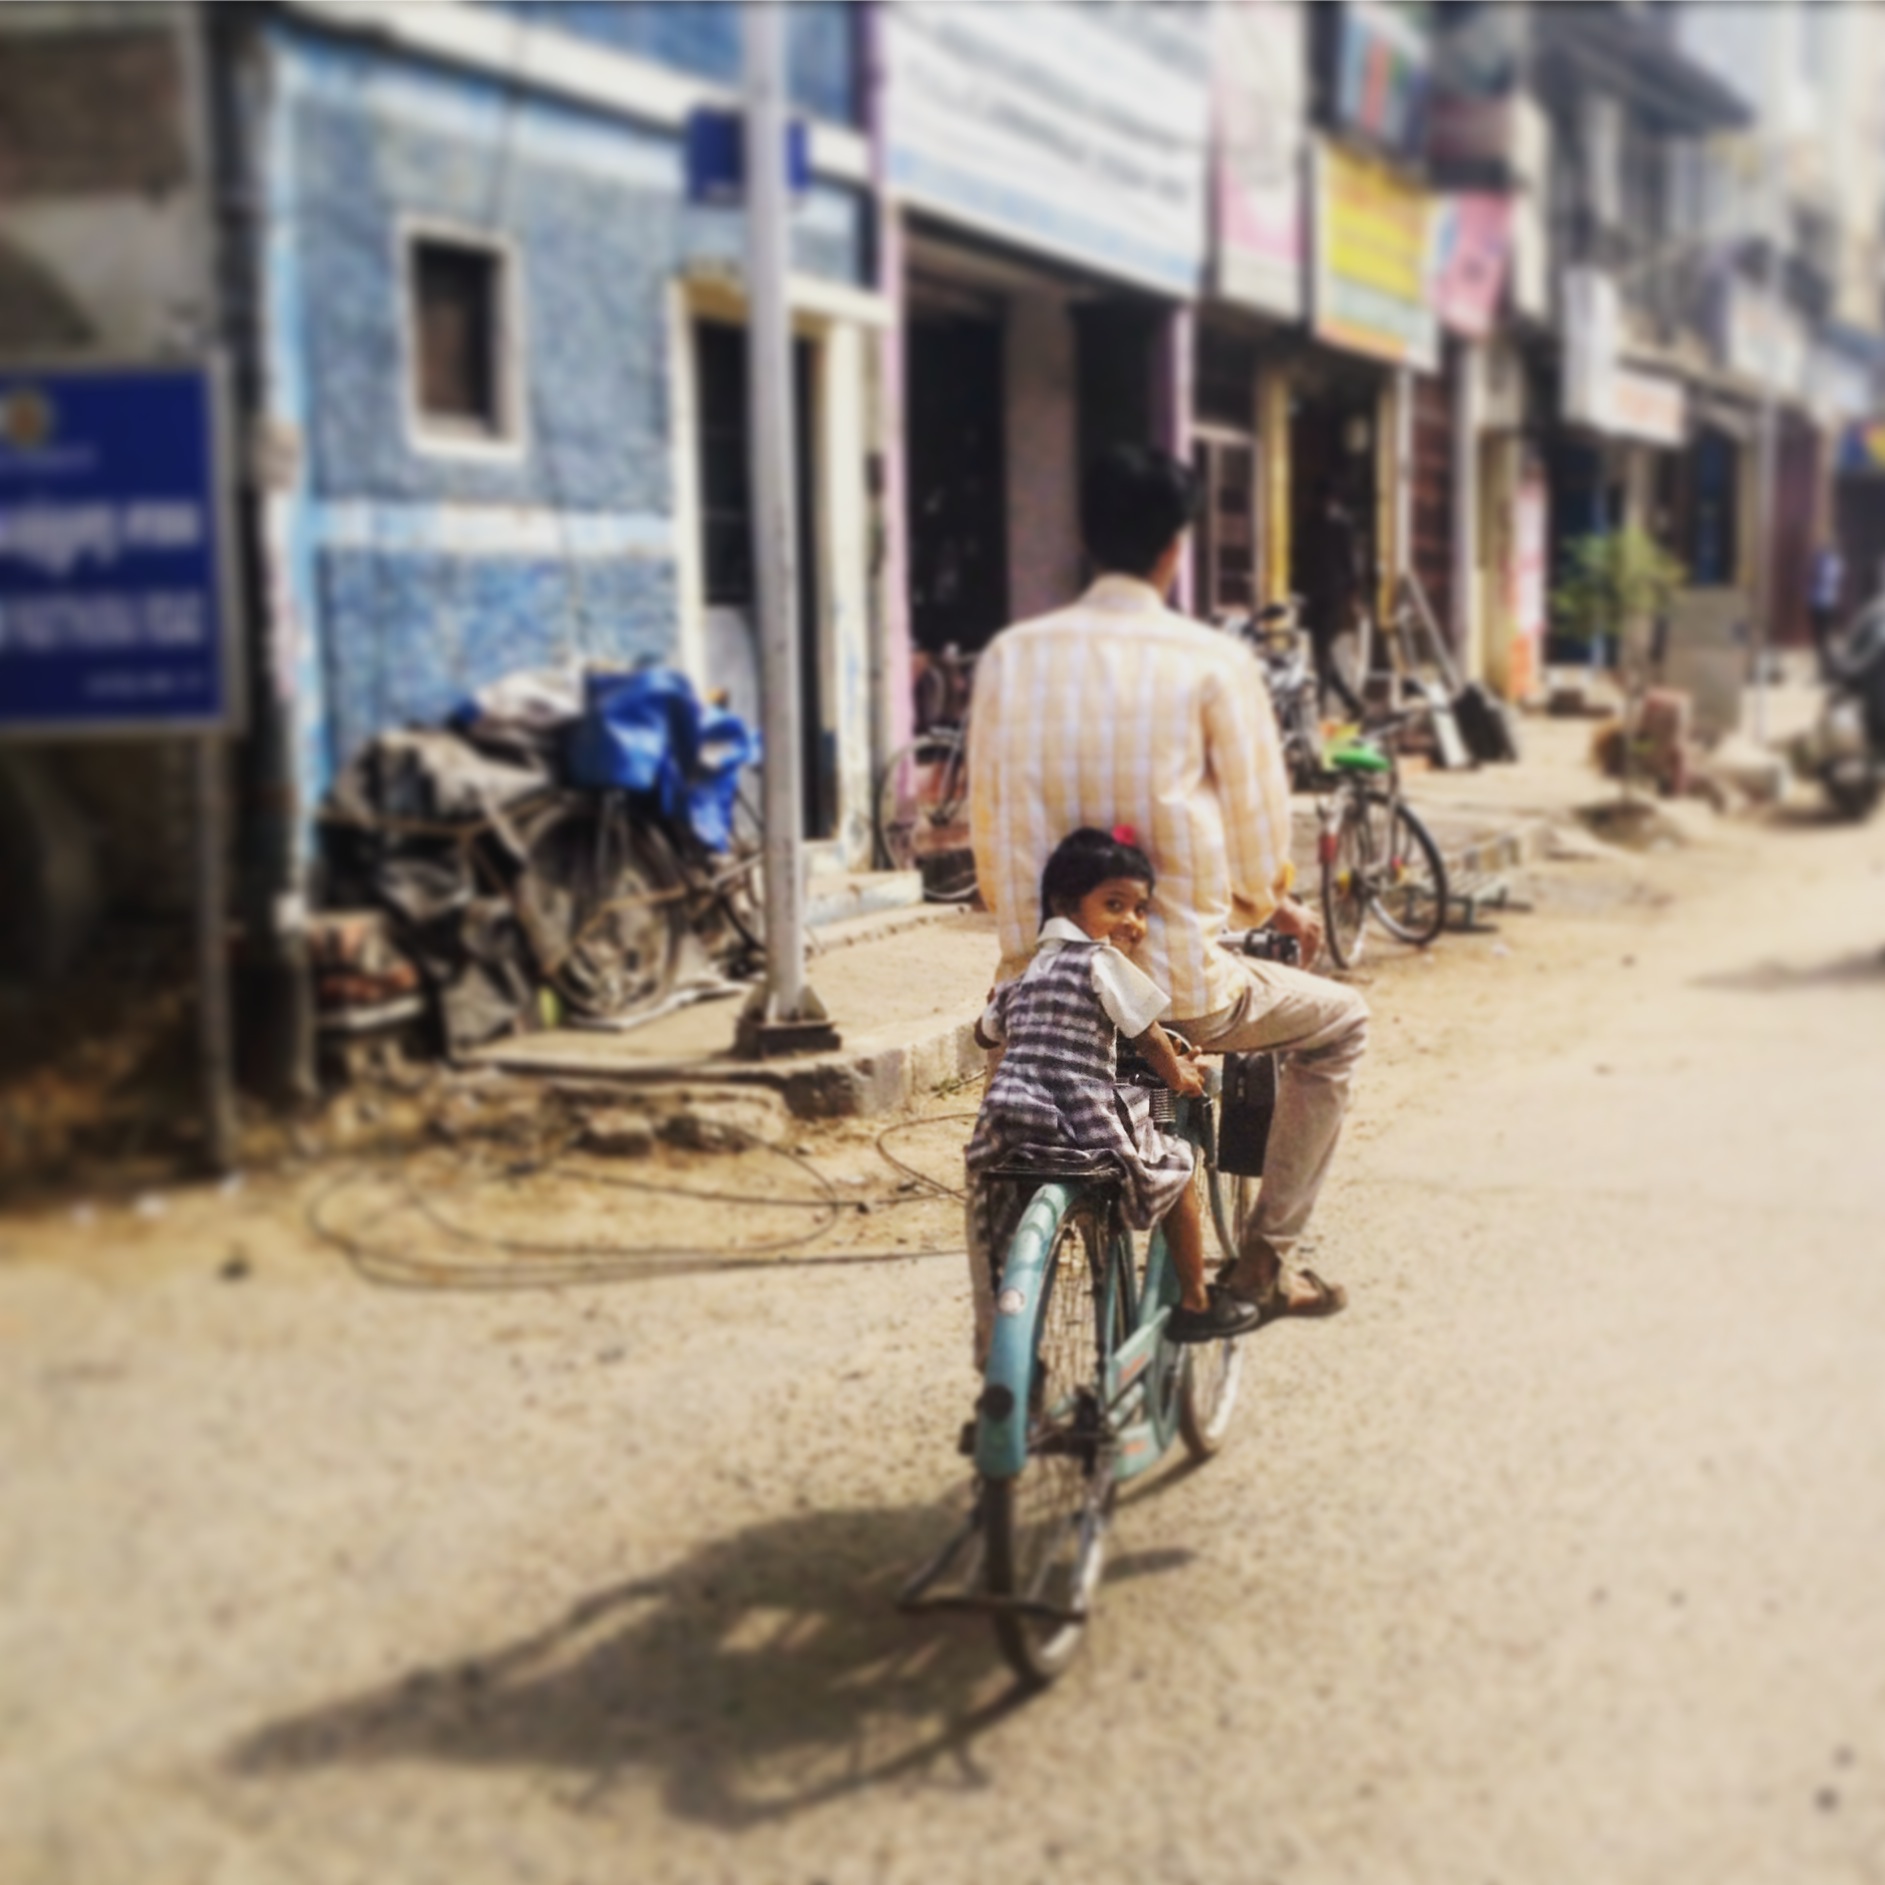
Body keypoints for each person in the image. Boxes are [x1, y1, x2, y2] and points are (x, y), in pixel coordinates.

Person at [966, 443, 1367, 1362]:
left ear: (1084, 539)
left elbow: (990, 843)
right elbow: (1263, 845)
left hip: (1036, 991)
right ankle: (1262, 1263)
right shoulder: (1208, 660)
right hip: (1179, 987)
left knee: (998, 1154)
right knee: (1341, 1024)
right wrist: (1272, 900)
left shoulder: (1010, 658)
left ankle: (1001, 1367)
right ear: (1173, 550)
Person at [966, 827, 1261, 1347]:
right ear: (1066, 903)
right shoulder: (1103, 964)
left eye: (1139, 909)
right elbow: (1147, 1035)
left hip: (1011, 1117)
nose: (1131, 921)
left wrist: (994, 1003)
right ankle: (1195, 1299)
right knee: (1176, 1166)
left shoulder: (1027, 974)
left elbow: (983, 1033)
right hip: (1080, 1117)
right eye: (1115, 904)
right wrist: (1181, 1075)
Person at [1809, 540, 1846, 677]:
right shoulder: (1835, 562)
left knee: (1823, 638)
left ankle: (1827, 670)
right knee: (1822, 639)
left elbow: (1821, 578)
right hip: (1825, 602)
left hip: (1823, 604)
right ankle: (1825, 669)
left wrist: (1817, 566)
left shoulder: (1830, 563)